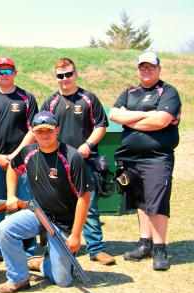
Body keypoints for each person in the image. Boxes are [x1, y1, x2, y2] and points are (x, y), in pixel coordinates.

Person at [0, 111, 90, 293]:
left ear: (57, 130)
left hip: (63, 222)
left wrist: (76, 235)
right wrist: (11, 195)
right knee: (4, 228)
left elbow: (84, 198)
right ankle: (19, 278)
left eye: (49, 130)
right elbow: (13, 170)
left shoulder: (72, 157)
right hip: (37, 213)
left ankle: (42, 264)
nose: (44, 134)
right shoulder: (27, 153)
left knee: (64, 281)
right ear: (33, 132)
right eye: (39, 131)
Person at [38, 58, 115, 266]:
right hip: (56, 163)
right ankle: (54, 247)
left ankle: (96, 249)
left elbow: (101, 125)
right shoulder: (50, 102)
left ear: (76, 74)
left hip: (84, 162)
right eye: (60, 76)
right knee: (54, 206)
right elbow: (41, 130)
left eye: (69, 74)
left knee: (89, 206)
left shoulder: (88, 98)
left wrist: (89, 144)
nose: (65, 79)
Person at [109, 52, 181, 271]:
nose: (146, 70)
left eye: (150, 67)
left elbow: (162, 120)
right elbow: (114, 114)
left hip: (157, 157)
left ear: (159, 69)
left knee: (157, 201)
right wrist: (147, 116)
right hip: (131, 158)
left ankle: (160, 248)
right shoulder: (129, 92)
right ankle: (145, 243)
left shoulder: (168, 92)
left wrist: (130, 118)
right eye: (142, 67)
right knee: (140, 200)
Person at [0, 56, 38, 267]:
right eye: (0, 71)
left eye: (8, 71)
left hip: (22, 162)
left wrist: (16, 155)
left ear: (15, 72)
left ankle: (28, 249)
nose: (4, 75)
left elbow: (33, 130)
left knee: (23, 204)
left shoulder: (27, 98)